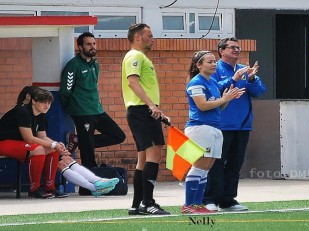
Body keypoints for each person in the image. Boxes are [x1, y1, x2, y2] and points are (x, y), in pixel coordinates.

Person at [15, 86, 120, 198]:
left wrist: (58, 146)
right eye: (42, 101)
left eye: (48, 102)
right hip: (24, 145)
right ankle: (94, 187)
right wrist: (54, 145)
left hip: (33, 145)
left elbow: (42, 136)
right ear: (32, 100)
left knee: (66, 158)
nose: (46, 105)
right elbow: (29, 138)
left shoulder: (40, 116)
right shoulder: (22, 112)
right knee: (57, 159)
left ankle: (97, 181)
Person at [203, 37, 266, 212]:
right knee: (216, 164)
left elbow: (260, 92)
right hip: (221, 125)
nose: (236, 50)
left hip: (242, 125)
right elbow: (212, 90)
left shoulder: (244, 69)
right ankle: (210, 199)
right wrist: (233, 79)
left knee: (235, 165)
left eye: (238, 47)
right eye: (232, 47)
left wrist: (252, 79)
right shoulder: (214, 69)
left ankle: (228, 200)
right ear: (221, 51)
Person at [181, 51, 244, 214]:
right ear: (199, 65)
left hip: (214, 128)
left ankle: (196, 204)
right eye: (209, 62)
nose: (214, 64)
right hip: (200, 127)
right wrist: (223, 99)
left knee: (206, 168)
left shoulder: (212, 83)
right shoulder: (196, 82)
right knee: (199, 166)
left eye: (214, 61)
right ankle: (189, 204)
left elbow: (218, 106)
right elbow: (202, 106)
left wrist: (227, 99)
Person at [122, 23, 170, 215]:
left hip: (143, 111)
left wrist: (156, 109)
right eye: (149, 35)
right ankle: (148, 203)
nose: (153, 38)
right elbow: (132, 82)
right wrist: (151, 106)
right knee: (154, 155)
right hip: (142, 111)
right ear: (137, 37)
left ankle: (136, 205)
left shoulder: (141, 57)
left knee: (142, 158)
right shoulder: (135, 56)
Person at [59, 32, 126, 169]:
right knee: (88, 153)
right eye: (88, 44)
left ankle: (79, 140)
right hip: (82, 112)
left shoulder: (95, 65)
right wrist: (72, 109)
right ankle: (90, 184)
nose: (92, 47)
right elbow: (65, 91)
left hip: (97, 110)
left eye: (94, 43)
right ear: (80, 47)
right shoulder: (73, 65)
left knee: (118, 136)